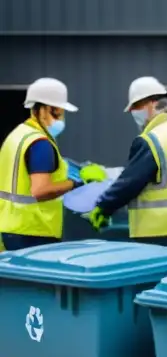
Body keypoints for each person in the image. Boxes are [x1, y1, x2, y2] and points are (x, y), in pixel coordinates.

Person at [87, 76, 167, 252]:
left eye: (135, 107)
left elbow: (130, 182)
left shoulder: (151, 141)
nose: (133, 113)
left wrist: (104, 206)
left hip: (164, 232)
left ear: (151, 104)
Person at [0, 78, 106, 250]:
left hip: (9, 226)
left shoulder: (17, 135)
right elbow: (40, 191)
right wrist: (78, 182)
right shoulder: (40, 143)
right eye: (60, 111)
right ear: (46, 109)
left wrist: (73, 169)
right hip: (33, 230)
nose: (62, 117)